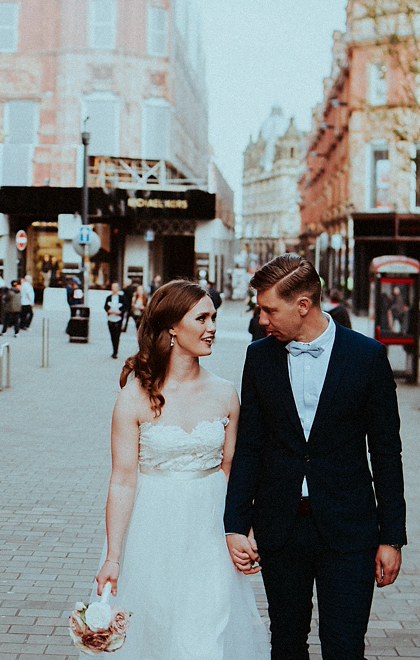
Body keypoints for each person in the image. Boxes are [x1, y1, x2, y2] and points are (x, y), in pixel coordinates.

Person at [225, 254, 406, 659]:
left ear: (303, 305)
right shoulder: (259, 356)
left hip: (349, 529)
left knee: (343, 647)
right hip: (280, 527)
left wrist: (392, 536)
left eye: (270, 309)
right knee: (286, 644)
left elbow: (386, 451)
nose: (263, 319)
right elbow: (250, 445)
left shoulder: (367, 357)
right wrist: (235, 523)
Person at [93, 281, 270, 659]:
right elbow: (123, 480)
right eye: (202, 318)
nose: (212, 328)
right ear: (172, 327)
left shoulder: (225, 393)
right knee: (155, 632)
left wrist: (243, 528)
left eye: (214, 318)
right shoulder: (135, 396)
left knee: (207, 633)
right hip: (153, 531)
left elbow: (232, 468)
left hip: (211, 530)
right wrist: (113, 556)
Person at [104, 282, 125, 359]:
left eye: (116, 287)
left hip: (118, 319)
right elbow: (105, 306)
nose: (114, 289)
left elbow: (125, 307)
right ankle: (114, 350)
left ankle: (116, 351)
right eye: (113, 287)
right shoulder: (109, 297)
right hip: (110, 318)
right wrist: (108, 310)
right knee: (112, 335)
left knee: (117, 335)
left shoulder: (122, 297)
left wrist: (120, 312)